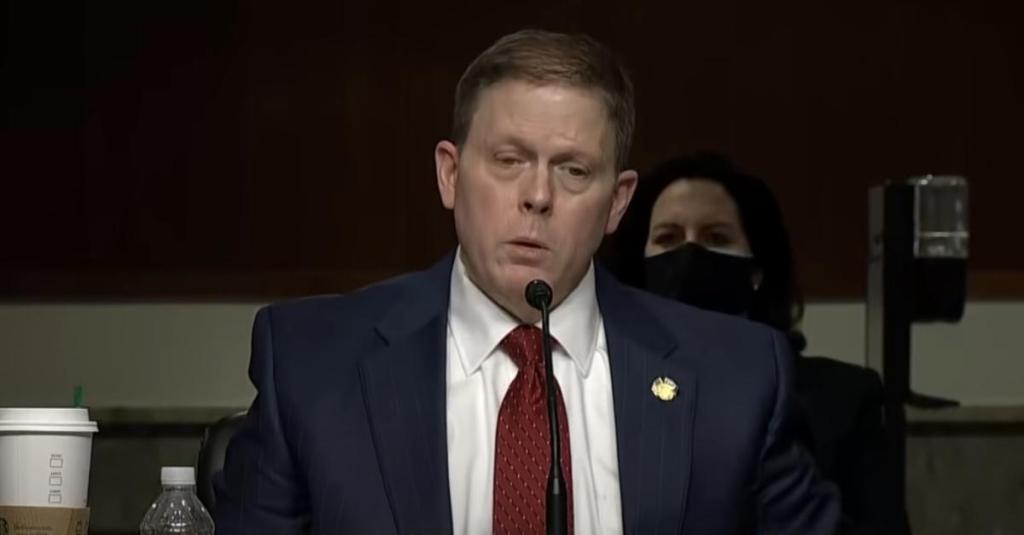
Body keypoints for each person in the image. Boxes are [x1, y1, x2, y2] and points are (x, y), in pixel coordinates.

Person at [215, 31, 840, 534]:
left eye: (573, 171)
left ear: (618, 203)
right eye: (509, 160)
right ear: (450, 175)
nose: (537, 196)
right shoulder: (313, 364)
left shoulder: (738, 380)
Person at [603, 152, 909, 534]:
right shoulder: (605, 389)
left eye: (716, 237)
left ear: (758, 270)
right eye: (668, 238)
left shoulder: (844, 398)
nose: (690, 253)